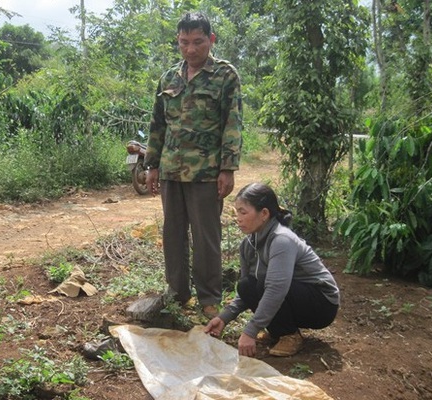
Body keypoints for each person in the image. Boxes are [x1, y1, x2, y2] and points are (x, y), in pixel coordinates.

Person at [144, 12, 242, 318]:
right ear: (178, 41)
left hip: (206, 172)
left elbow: (233, 124)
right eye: (184, 42)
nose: (190, 49)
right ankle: (177, 292)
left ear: (210, 40)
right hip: (172, 170)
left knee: (206, 237)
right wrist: (152, 164)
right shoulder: (168, 78)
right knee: (173, 234)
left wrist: (227, 168)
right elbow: (157, 124)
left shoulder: (225, 75)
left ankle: (209, 297)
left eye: (197, 42)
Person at [204, 182, 340, 357]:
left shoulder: (282, 240)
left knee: (267, 285)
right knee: (247, 285)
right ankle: (280, 330)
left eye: (243, 212)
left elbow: (276, 289)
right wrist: (224, 318)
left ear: (264, 214)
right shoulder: (248, 244)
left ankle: (289, 335)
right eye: (237, 212)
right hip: (292, 296)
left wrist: (250, 331)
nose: (238, 218)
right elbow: (247, 291)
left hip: (322, 304)